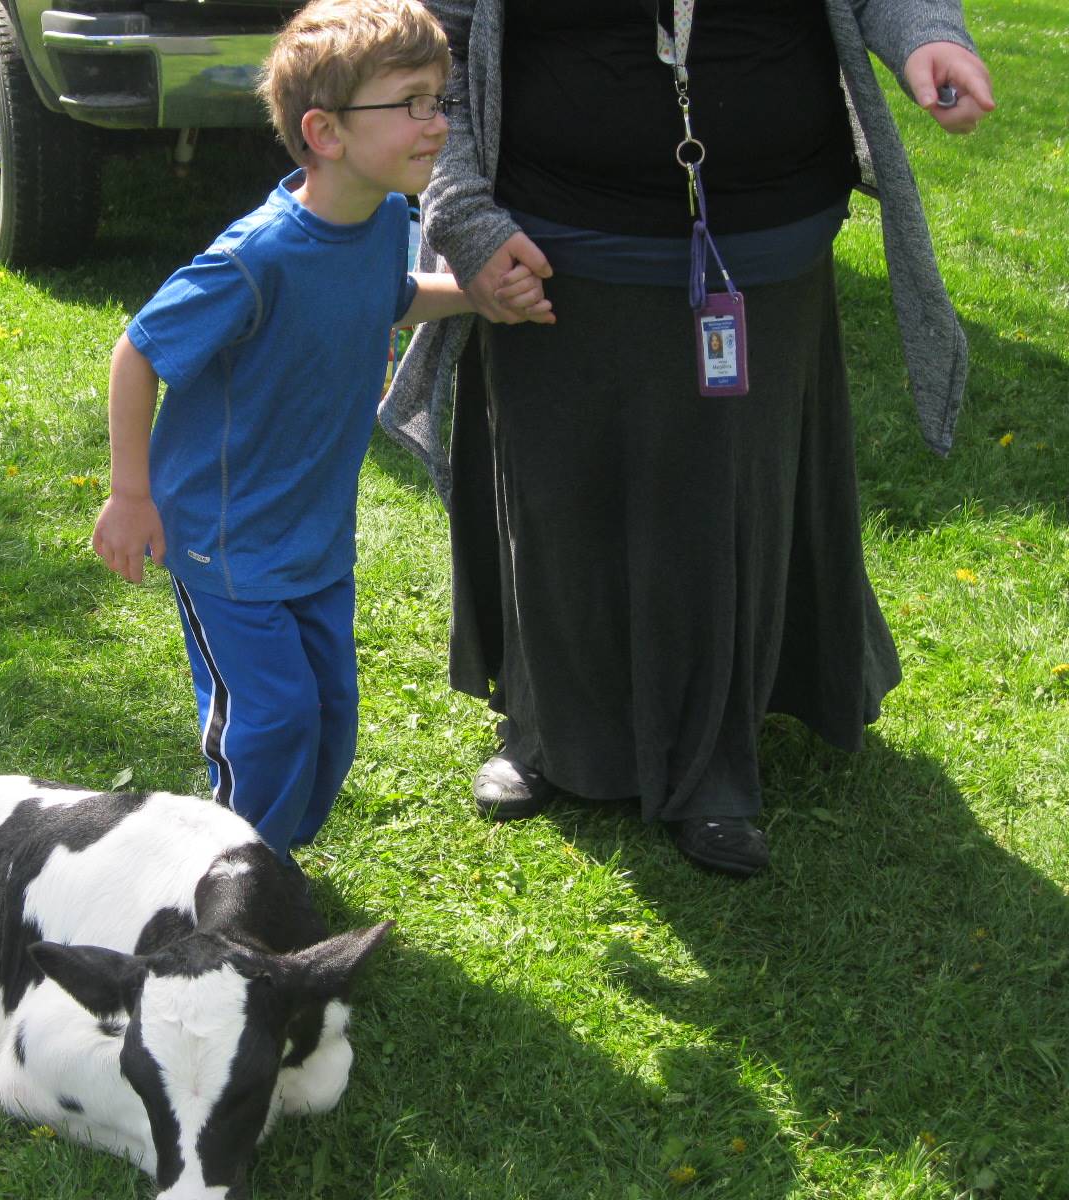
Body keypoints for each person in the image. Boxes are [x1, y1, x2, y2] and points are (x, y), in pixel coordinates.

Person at [383, 0, 994, 876]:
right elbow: (436, 39)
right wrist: (464, 218)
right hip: (552, 243)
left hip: (766, 235)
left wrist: (931, 37)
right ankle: (548, 730)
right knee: (556, 499)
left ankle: (715, 764)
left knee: (726, 505)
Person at [91, 0, 546, 860]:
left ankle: (275, 862)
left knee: (331, 717)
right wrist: (128, 495)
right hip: (225, 543)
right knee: (271, 720)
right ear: (325, 132)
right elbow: (138, 351)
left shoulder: (380, 223)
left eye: (439, 98)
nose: (437, 122)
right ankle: (227, 877)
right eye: (411, 102)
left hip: (313, 540)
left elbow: (393, 297)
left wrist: (479, 298)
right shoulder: (257, 257)